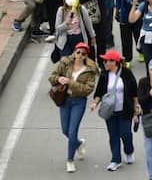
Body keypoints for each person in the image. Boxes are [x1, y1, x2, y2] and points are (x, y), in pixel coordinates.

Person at [48, 41, 97, 173]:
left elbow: (88, 89)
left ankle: (70, 160)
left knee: (72, 130)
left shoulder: (90, 70)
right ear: (74, 52)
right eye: (78, 52)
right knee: (65, 130)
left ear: (86, 55)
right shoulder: (65, 63)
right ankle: (78, 143)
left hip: (78, 101)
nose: (80, 55)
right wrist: (59, 79)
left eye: (83, 53)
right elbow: (52, 77)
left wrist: (71, 83)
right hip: (65, 100)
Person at [90, 49, 138, 171]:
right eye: (104, 61)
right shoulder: (104, 75)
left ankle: (129, 151)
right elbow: (99, 92)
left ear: (114, 62)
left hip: (125, 110)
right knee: (113, 135)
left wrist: (136, 107)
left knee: (125, 133)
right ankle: (115, 160)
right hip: (110, 111)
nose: (105, 63)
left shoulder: (126, 73)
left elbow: (134, 92)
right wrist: (95, 103)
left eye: (107, 61)